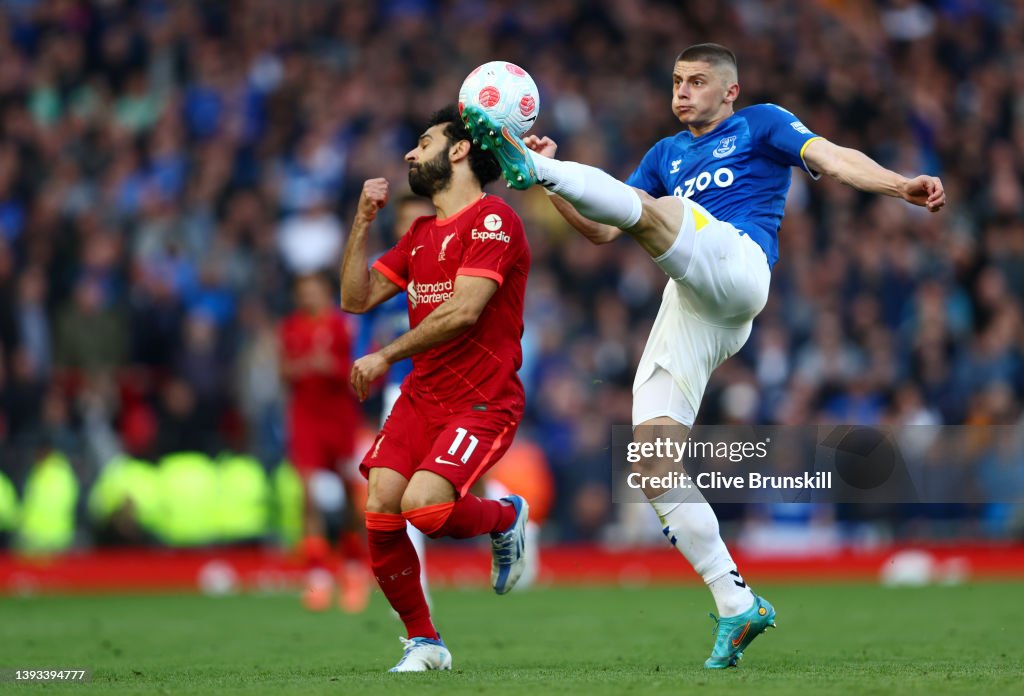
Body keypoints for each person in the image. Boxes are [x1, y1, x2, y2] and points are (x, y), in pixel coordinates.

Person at [463, 43, 945, 669]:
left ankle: (530, 163)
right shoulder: (663, 155)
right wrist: (557, 189)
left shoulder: (762, 122)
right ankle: (736, 602)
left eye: (696, 81)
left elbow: (831, 156)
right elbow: (605, 229)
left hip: (740, 264)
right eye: (676, 81)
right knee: (651, 463)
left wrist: (898, 185)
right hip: (691, 299)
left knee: (667, 213)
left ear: (730, 91)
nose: (683, 91)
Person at [340, 104, 532, 672]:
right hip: (422, 398)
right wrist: (362, 220)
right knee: (379, 507)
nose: (409, 153)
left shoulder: (495, 219)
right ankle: (425, 643)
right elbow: (355, 298)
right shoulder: (421, 234)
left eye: (423, 142)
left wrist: (385, 355)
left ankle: (505, 517)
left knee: (424, 509)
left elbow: (465, 311)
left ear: (458, 150)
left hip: (482, 400)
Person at [279, 272, 370, 613]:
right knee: (308, 494)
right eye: (303, 292)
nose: (309, 298)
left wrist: (329, 366)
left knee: (349, 495)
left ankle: (354, 567)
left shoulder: (343, 326)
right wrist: (304, 366)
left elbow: (357, 373)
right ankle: (317, 578)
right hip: (305, 419)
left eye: (314, 291)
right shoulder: (289, 328)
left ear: (327, 293)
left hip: (339, 419)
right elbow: (283, 372)